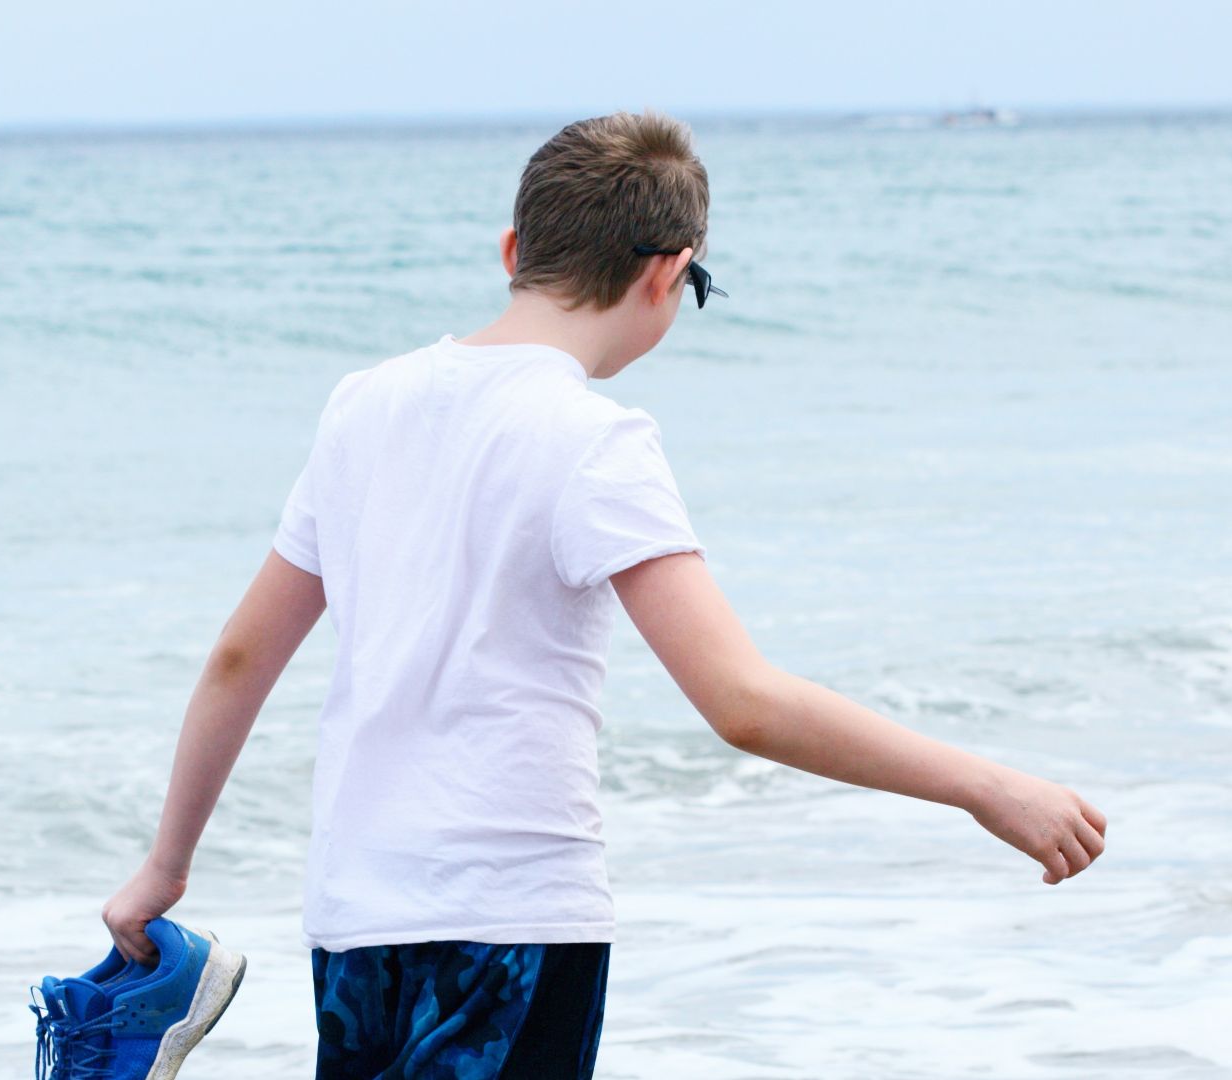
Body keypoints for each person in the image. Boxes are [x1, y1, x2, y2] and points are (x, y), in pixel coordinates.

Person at [100, 108, 1107, 1079]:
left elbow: (239, 658)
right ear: (666, 274)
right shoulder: (596, 442)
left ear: (511, 251)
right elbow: (743, 703)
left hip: (357, 919)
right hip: (517, 921)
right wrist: (986, 785)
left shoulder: (361, 406)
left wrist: (166, 865)